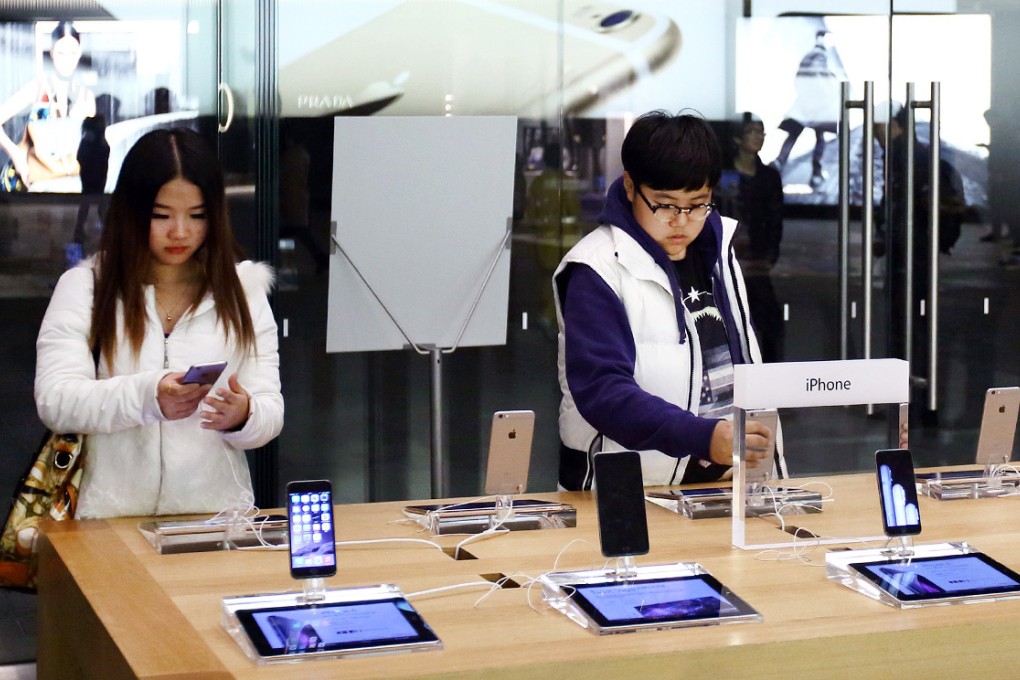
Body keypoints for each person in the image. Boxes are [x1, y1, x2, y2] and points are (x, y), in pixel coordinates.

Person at [34, 128, 284, 519]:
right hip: (107, 523)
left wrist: (244, 414)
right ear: (132, 212)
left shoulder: (244, 292)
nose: (180, 232)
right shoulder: (86, 288)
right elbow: (57, 400)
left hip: (214, 521)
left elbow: (271, 410)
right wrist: (150, 396)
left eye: (197, 216)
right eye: (161, 215)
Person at [553, 111, 774, 490]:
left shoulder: (719, 254)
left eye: (697, 204)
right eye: (665, 204)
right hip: (627, 491)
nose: (681, 221)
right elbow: (603, 392)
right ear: (629, 187)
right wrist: (702, 437)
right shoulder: (596, 267)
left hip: (726, 485)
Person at [874, 102, 965, 425]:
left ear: (895, 128)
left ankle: (912, 404)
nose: (876, 135)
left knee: (905, 333)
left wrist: (888, 238)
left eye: (880, 127)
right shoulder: (922, 158)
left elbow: (901, 209)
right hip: (920, 257)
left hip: (910, 259)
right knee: (919, 332)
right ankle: (922, 402)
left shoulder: (905, 158)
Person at [716, 113, 785, 363]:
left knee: (768, 321)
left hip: (757, 261)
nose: (759, 137)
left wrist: (769, 257)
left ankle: (770, 375)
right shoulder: (722, 176)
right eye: (752, 132)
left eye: (761, 132)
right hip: (725, 257)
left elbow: (775, 221)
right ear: (737, 137)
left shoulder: (769, 176)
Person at [1, 21, 97, 192]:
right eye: (61, 52)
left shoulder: (85, 97)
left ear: (79, 53)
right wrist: (16, 155)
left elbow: (92, 148)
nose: (67, 60)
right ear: (52, 53)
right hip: (30, 181)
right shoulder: (38, 88)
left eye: (72, 52)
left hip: (69, 185)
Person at [772, 29, 844, 189]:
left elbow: (801, 77)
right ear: (820, 39)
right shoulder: (819, 55)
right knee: (816, 135)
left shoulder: (815, 55)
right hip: (816, 104)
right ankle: (815, 173)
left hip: (810, 103)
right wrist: (826, 94)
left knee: (799, 133)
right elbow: (816, 76)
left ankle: (782, 162)